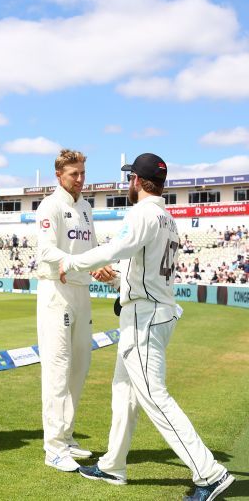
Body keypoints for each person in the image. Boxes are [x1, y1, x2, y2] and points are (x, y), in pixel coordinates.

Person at [59, 153, 234, 500]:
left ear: (137, 181)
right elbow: (139, 269)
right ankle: (112, 466)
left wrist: (73, 261)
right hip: (153, 310)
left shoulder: (143, 212)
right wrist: (113, 279)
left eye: (130, 179)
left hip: (144, 316)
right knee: (123, 392)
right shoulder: (167, 217)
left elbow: (118, 248)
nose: (128, 184)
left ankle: (210, 474)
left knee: (154, 396)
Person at [35, 149, 114, 471]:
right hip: (57, 290)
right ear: (59, 175)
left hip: (82, 290)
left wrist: (103, 267)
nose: (80, 180)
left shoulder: (84, 207)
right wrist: (72, 262)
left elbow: (92, 247)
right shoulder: (50, 206)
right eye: (74, 175)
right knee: (58, 368)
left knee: (80, 366)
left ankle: (66, 436)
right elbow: (45, 249)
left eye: (82, 173)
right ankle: (53, 448)